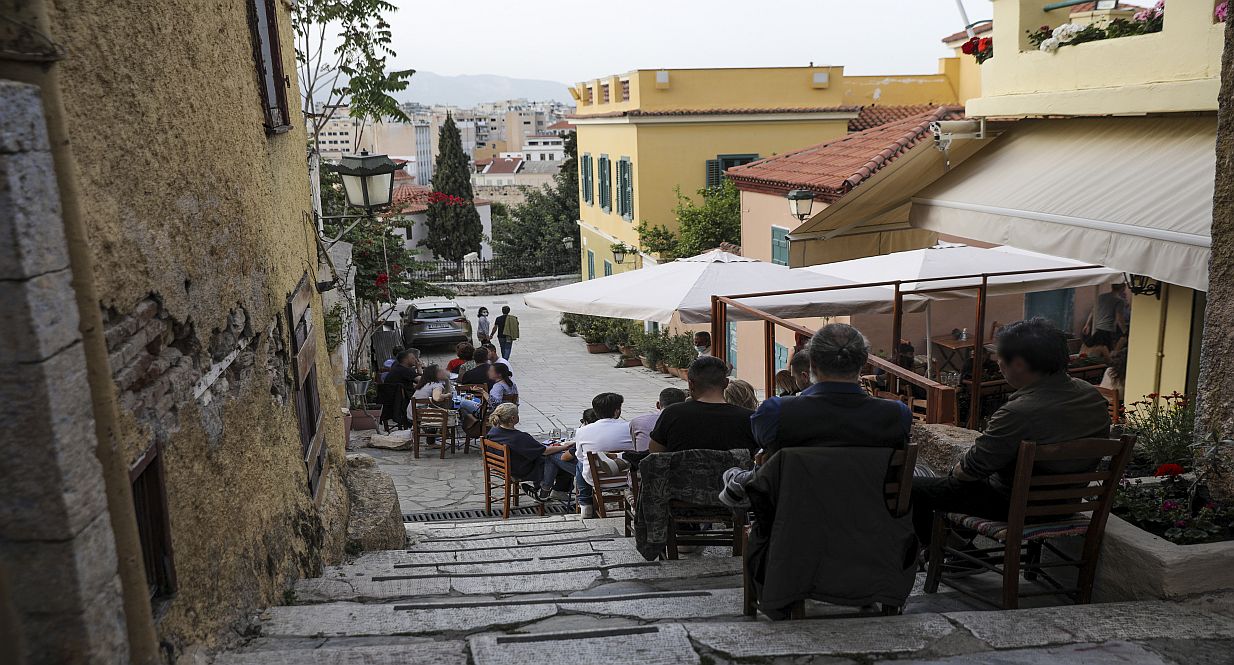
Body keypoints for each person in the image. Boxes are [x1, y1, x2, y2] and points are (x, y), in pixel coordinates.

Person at [911, 318, 1111, 546]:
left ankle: (958, 553)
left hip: (1014, 506)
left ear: (1018, 364)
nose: (997, 365)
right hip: (1066, 504)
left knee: (911, 487)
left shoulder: (1018, 412)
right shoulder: (1092, 397)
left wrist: (955, 472)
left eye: (1000, 359)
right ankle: (960, 551)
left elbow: (970, 471)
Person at [751, 323, 912, 461]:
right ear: (863, 362)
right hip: (866, 496)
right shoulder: (898, 415)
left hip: (798, 496)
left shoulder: (774, 413)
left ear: (812, 364)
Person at [649, 355, 757, 454]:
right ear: (726, 383)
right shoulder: (749, 419)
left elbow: (655, 454)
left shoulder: (672, 414)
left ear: (691, 384)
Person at [485, 404, 576, 502]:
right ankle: (548, 491)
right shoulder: (519, 437)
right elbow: (545, 451)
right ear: (513, 418)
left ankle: (543, 489)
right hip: (522, 470)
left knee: (546, 458)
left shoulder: (493, 432)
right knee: (557, 459)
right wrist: (565, 446)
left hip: (503, 466)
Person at [573, 393, 635, 517]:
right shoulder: (630, 427)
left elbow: (580, 456)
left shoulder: (582, 431)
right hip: (626, 477)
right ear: (617, 411)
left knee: (580, 463)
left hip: (596, 479)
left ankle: (585, 505)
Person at [629, 388, 687, 452]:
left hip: (643, 459)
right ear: (684, 405)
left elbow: (636, 447)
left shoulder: (638, 421)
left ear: (658, 405)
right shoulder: (687, 422)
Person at [1082, 283, 1129, 351]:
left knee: (1100, 350)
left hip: (1099, 328)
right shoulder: (1119, 301)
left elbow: (1093, 311)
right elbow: (1119, 318)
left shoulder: (1101, 297)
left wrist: (1087, 324)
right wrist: (1125, 331)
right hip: (1108, 329)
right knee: (1107, 350)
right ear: (1123, 288)